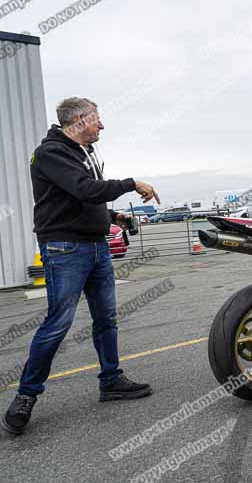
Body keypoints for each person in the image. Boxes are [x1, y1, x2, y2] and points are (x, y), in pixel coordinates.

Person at [1, 97, 161, 436]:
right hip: (65, 248)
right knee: (58, 323)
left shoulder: (80, 154)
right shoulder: (50, 153)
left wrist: (114, 216)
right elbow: (84, 190)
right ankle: (26, 395)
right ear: (78, 120)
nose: (102, 126)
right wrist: (132, 183)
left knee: (106, 318)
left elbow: (78, 200)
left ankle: (111, 380)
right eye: (97, 119)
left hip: (95, 247)